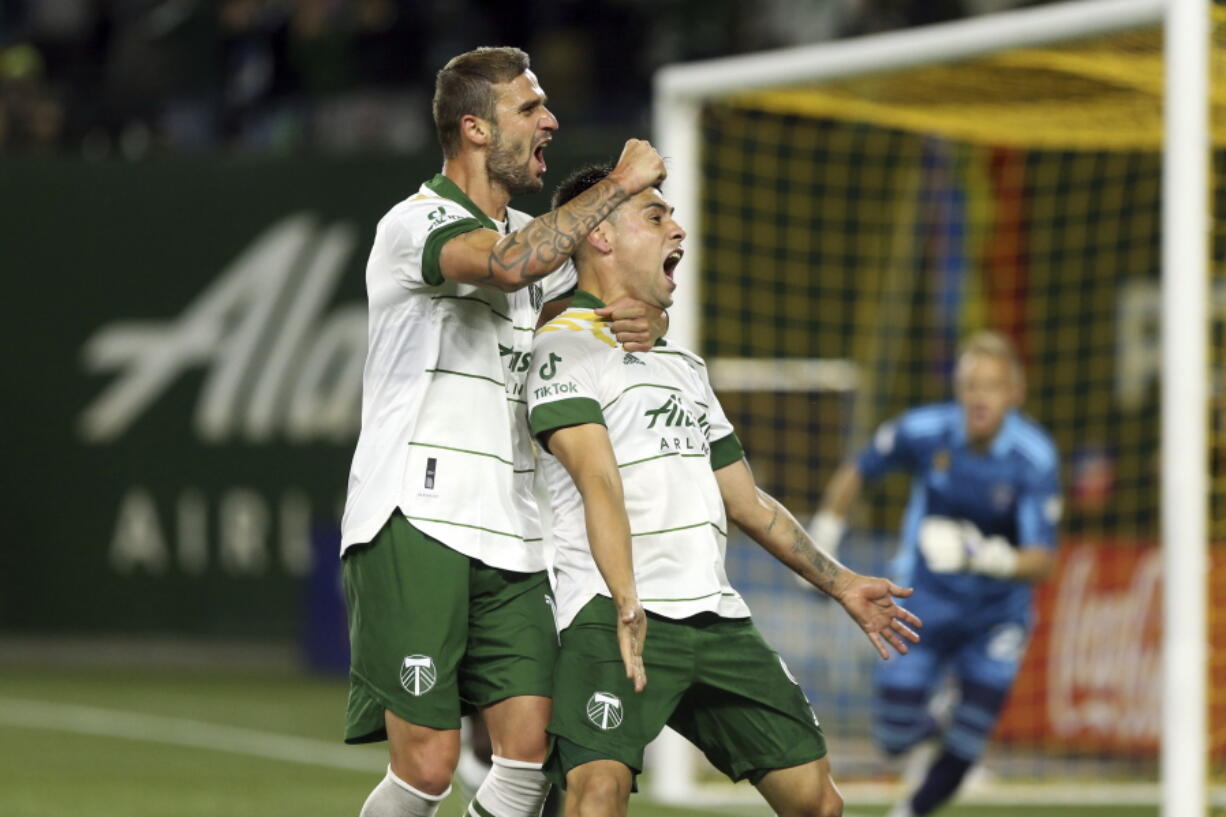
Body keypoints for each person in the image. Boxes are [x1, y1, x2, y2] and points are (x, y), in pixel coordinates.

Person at [525, 163, 923, 817]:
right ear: (600, 237)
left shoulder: (684, 367)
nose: (676, 228)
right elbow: (598, 479)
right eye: (655, 216)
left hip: (716, 620)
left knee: (817, 802)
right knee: (596, 794)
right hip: (610, 611)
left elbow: (749, 502)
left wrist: (843, 582)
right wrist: (628, 602)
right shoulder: (561, 350)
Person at [339, 47, 667, 817]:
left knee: (528, 754)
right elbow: (512, 264)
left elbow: (594, 290)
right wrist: (617, 183)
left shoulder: (540, 237)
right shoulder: (411, 224)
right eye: (530, 108)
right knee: (427, 765)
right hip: (415, 514)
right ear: (475, 128)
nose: (550, 119)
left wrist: (643, 311)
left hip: (514, 529)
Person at [806, 330, 1061, 817]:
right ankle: (934, 720)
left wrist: (984, 555)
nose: (979, 397)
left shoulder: (1033, 457)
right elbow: (860, 468)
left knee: (969, 739)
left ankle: (911, 811)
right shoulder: (926, 432)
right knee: (893, 735)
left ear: (1014, 393)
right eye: (970, 385)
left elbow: (1043, 559)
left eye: (992, 386)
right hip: (925, 602)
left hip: (997, 616)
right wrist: (824, 539)